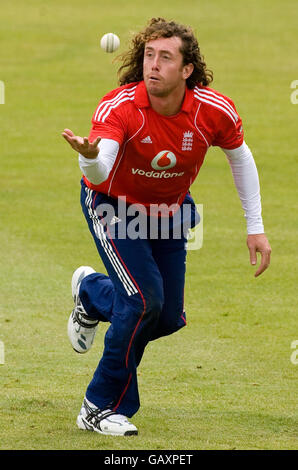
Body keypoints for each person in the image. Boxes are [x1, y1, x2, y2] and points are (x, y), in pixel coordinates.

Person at [62, 17, 271, 436]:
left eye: (165, 57)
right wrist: (87, 157)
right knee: (142, 302)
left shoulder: (212, 110)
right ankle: (98, 406)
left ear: (186, 68)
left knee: (167, 316)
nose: (153, 65)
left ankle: (91, 292)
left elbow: (240, 157)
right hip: (114, 207)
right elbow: (101, 172)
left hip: (170, 211)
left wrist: (256, 226)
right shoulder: (120, 106)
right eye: (149, 56)